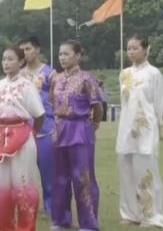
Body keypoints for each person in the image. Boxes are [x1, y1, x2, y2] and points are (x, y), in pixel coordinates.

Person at [50, 40, 103, 231]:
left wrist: (94, 124)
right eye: (60, 54)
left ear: (78, 55)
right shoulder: (56, 79)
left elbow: (98, 106)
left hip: (80, 129)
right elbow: (53, 102)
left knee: (83, 177)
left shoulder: (87, 79)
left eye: (66, 54)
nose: (62, 58)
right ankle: (60, 220)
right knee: (60, 177)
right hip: (60, 129)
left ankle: (88, 223)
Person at [0, 46, 45, 231]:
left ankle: (26, 227)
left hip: (22, 134)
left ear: (21, 62)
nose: (6, 63)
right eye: (4, 59)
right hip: (1, 136)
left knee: (23, 184)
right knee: (2, 185)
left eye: (10, 59)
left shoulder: (27, 85)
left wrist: (32, 133)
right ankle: (4, 226)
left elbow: (40, 115)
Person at [117, 35, 163, 228]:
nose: (131, 52)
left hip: (146, 130)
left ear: (146, 49)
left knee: (147, 173)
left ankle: (153, 216)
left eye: (135, 48)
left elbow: (160, 103)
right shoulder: (124, 74)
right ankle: (131, 214)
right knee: (127, 173)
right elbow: (124, 103)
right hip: (126, 129)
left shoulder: (154, 74)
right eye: (128, 48)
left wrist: (161, 129)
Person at [18, 36, 55, 213]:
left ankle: (51, 208)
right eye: (22, 50)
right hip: (24, 130)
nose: (25, 53)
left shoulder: (50, 74)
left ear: (37, 49)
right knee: (24, 174)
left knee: (49, 173)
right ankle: (26, 206)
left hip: (46, 130)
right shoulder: (19, 75)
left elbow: (56, 100)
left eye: (28, 49)